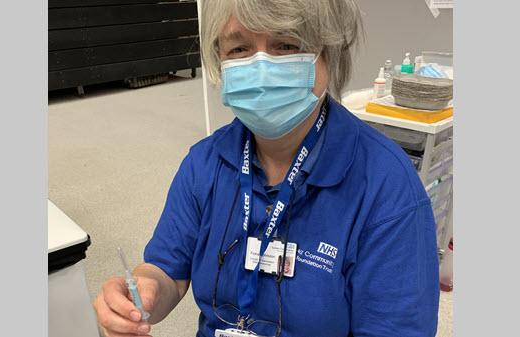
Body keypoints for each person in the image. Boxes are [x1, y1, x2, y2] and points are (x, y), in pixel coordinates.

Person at [93, 0, 440, 336]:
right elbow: (167, 268)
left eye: (286, 45)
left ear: (329, 55)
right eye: (239, 49)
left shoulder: (386, 187)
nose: (261, 68)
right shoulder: (205, 163)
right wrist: (144, 290)